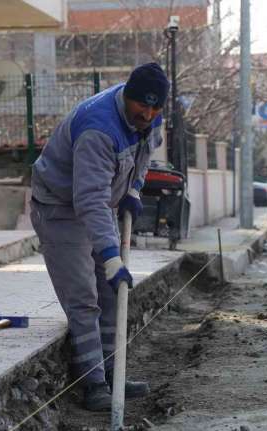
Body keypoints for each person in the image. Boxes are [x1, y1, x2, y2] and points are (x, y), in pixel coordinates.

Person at [30, 63, 169, 411]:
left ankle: (112, 374)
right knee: (84, 297)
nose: (148, 114)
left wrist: (134, 190)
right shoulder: (98, 128)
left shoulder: (151, 121)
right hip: (60, 208)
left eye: (155, 109)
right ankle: (92, 385)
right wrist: (110, 257)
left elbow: (145, 155)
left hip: (100, 202)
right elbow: (88, 199)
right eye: (142, 106)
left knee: (111, 293)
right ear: (127, 96)